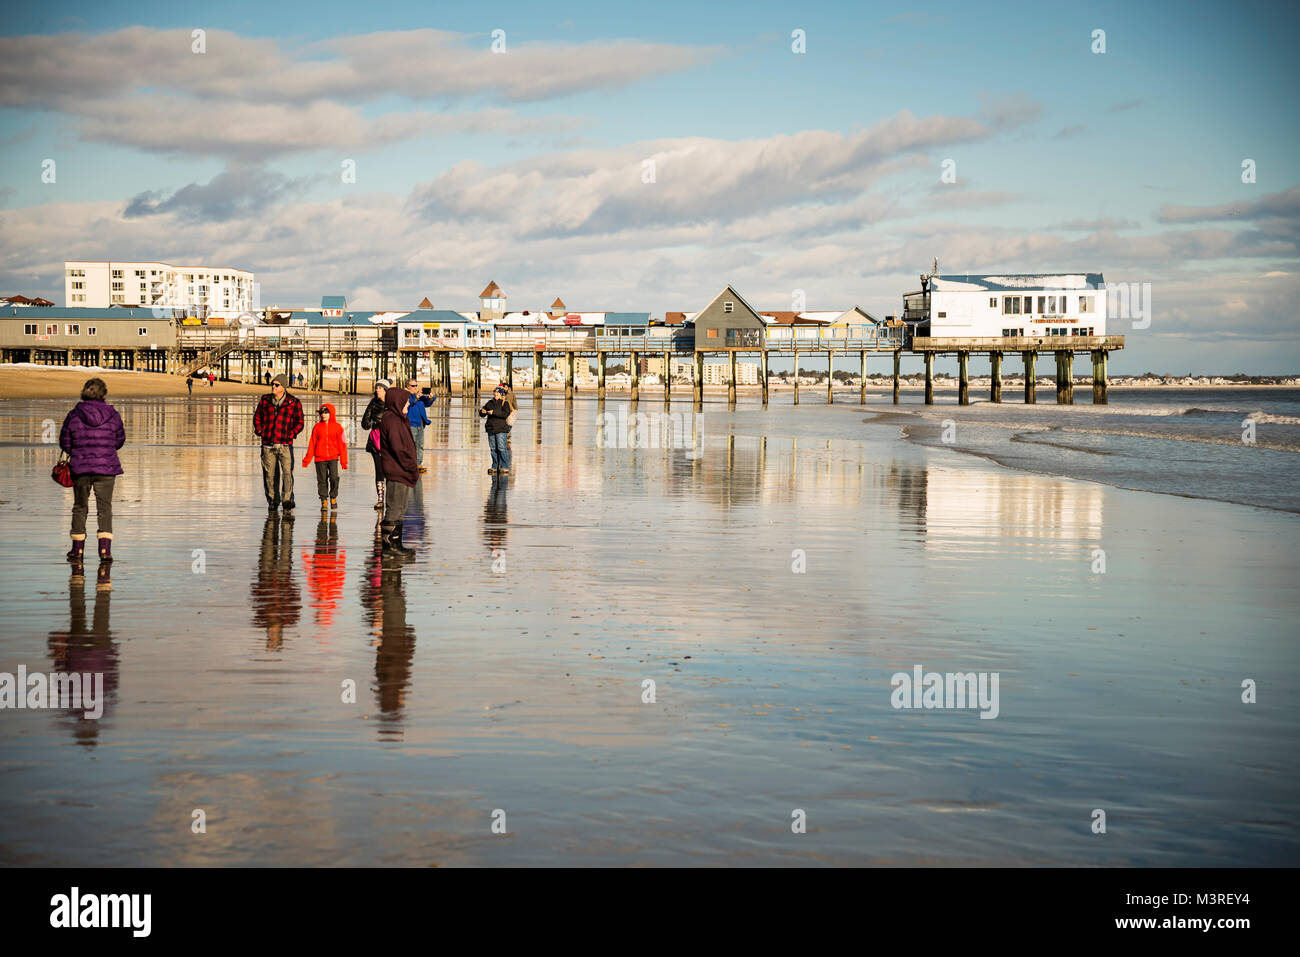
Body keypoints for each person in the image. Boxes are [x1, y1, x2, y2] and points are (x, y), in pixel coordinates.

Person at [59, 377, 125, 563]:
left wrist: (79, 453)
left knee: (80, 507)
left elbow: (65, 441)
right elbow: (119, 439)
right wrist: (106, 451)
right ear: (103, 394)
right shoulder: (112, 415)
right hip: (107, 466)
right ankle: (105, 551)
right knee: (105, 508)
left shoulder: (74, 414)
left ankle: (77, 550)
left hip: (81, 467)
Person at [253, 373, 304, 510]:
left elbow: (300, 423)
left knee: (287, 473)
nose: (273, 387)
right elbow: (257, 418)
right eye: (272, 384)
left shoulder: (293, 402)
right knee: (269, 475)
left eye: (276, 385)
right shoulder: (265, 400)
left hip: (285, 445)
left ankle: (287, 500)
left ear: (283, 387)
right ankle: (273, 500)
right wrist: (261, 431)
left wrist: (291, 434)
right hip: (268, 444)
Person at [378, 385, 419, 557]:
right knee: (395, 508)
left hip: (400, 470)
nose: (408, 405)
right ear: (397, 401)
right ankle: (390, 547)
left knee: (400, 507)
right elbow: (398, 448)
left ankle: (396, 544)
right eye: (406, 402)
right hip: (398, 470)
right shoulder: (393, 420)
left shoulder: (397, 418)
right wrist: (411, 467)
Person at [302, 402, 348, 511]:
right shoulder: (317, 427)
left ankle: (333, 497)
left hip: (333, 458)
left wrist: (344, 461)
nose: (323, 415)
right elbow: (312, 443)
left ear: (331, 413)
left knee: (334, 478)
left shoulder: (338, 427)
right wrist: (307, 459)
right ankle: (324, 500)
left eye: (326, 413)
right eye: (321, 413)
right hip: (319, 458)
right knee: (322, 480)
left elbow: (342, 445)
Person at [361, 380, 389, 511]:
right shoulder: (373, 403)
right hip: (375, 441)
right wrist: (374, 423)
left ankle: (391, 499)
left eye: (380, 388)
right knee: (379, 470)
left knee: (390, 471)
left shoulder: (392, 404)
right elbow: (364, 423)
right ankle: (380, 499)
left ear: (385, 390)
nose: (377, 390)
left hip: (390, 441)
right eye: (376, 388)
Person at [479, 384, 514, 475]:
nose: (495, 394)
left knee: (502, 448)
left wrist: (493, 412)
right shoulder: (490, 402)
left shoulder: (505, 403)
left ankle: (504, 466)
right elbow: (482, 413)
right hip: (491, 428)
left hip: (501, 429)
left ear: (501, 394)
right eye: (495, 392)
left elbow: (505, 414)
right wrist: (482, 412)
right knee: (493, 448)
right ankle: (495, 466)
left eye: (497, 393)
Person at [405, 378, 431, 473]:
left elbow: (427, 403)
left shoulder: (419, 397)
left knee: (420, 445)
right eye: (413, 386)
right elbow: (410, 403)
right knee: (411, 446)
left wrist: (431, 398)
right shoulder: (406, 396)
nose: (415, 387)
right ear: (408, 387)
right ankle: (410, 464)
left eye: (416, 385)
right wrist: (416, 397)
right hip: (411, 424)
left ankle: (418, 464)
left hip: (420, 424)